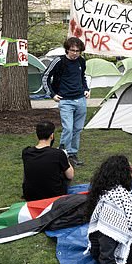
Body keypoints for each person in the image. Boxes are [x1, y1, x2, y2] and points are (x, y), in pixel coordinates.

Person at [42, 37, 90, 167]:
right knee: (68, 129)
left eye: (78, 51)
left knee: (77, 129)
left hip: (80, 99)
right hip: (65, 101)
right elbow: (46, 77)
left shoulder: (81, 61)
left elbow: (82, 77)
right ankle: (62, 154)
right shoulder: (59, 61)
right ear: (67, 50)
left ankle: (73, 154)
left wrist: (86, 89)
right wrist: (52, 94)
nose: (75, 53)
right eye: (72, 50)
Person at [22, 121, 74, 201]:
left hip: (30, 196)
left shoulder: (26, 152)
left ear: (37, 135)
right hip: (54, 196)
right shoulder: (58, 154)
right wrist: (65, 157)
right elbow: (70, 175)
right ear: (52, 136)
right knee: (67, 166)